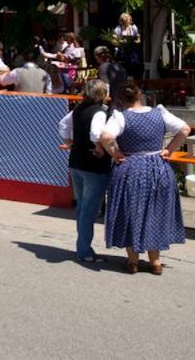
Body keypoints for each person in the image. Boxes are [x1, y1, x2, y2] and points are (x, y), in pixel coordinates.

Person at [98, 84, 189, 274]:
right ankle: (155, 262)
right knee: (155, 213)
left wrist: (115, 153)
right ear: (141, 96)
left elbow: (106, 136)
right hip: (158, 167)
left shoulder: (121, 117)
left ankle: (133, 261)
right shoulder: (160, 113)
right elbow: (184, 129)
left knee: (131, 212)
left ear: (121, 101)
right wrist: (170, 149)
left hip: (131, 168)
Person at [58, 80, 113, 262]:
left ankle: (82, 246)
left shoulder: (79, 108)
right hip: (93, 165)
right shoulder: (99, 112)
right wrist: (98, 147)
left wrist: (69, 142)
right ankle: (84, 251)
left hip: (76, 162)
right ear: (102, 94)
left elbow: (63, 125)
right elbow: (96, 133)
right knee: (89, 210)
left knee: (83, 208)